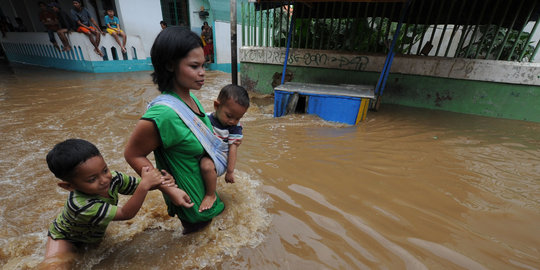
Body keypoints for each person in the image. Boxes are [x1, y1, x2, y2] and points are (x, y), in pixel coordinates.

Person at [124, 26, 224, 234]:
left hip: (208, 197)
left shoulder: (190, 99)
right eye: (194, 66)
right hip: (192, 207)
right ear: (170, 65)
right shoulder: (164, 115)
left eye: (203, 65)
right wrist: (169, 189)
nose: (202, 73)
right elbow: (133, 154)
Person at [43, 139, 191, 261]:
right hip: (66, 238)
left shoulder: (113, 178)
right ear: (69, 186)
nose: (104, 180)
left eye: (105, 170)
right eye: (92, 179)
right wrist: (146, 184)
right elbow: (126, 213)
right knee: (55, 265)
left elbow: (141, 186)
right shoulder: (81, 205)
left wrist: (162, 181)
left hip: (91, 235)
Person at [199, 84, 249, 212]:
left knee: (206, 165)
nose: (233, 121)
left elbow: (233, 149)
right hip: (208, 151)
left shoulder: (235, 128)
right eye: (229, 116)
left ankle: (211, 195)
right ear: (216, 106)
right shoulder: (205, 119)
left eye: (238, 118)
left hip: (221, 158)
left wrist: (230, 171)